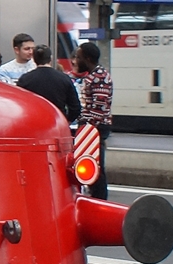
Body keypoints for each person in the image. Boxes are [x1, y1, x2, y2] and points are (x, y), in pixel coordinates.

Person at [72, 41, 113, 200]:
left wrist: (84, 123)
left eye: (79, 57)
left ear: (87, 59)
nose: (76, 61)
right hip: (93, 127)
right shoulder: (95, 75)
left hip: (95, 128)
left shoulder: (99, 78)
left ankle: (99, 199)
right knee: (92, 164)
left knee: (95, 166)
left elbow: (98, 109)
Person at [17, 46, 80, 124]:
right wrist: (66, 121)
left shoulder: (25, 79)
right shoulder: (64, 78)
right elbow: (75, 107)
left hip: (33, 122)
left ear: (34, 59)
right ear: (51, 58)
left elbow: (18, 105)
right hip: (57, 122)